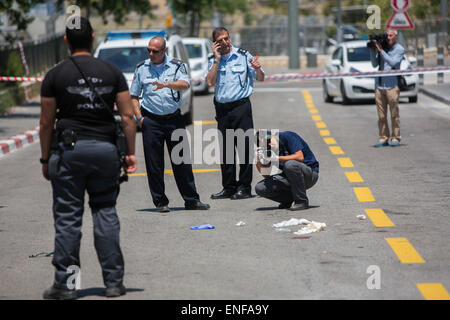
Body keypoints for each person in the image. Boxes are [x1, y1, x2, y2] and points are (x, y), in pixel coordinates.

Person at [39, 17, 137, 299]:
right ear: (93, 37)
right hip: (106, 152)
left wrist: (45, 159)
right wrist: (130, 152)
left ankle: (67, 285)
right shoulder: (112, 71)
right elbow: (128, 116)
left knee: (69, 219)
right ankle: (114, 283)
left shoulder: (55, 75)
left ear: (66, 40)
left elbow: (46, 123)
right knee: (105, 212)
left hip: (68, 152)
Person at [130, 36, 210, 212]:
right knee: (154, 164)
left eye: (155, 51)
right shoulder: (141, 69)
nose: (151, 54)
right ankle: (160, 202)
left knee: (182, 162)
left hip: (174, 119)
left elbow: (185, 84)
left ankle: (191, 200)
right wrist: (140, 119)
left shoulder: (177, 65)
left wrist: (167, 84)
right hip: (151, 120)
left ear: (164, 51)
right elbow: (134, 96)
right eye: (149, 50)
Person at [206, 27, 265, 200]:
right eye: (220, 40)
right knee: (226, 151)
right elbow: (209, 82)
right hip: (222, 109)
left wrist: (258, 69)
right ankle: (229, 187)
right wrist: (217, 60)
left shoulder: (244, 55)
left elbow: (260, 78)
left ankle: (244, 188)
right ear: (215, 44)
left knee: (244, 148)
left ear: (230, 38)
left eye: (226, 38)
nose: (224, 42)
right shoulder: (214, 60)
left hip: (241, 107)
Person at [254, 131, 319, 211]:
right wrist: (258, 161)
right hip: (290, 177)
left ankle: (301, 201)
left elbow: (300, 157)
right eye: (267, 145)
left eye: (269, 140)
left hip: (309, 174)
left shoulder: (288, 136)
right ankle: (289, 199)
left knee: (290, 165)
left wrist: (277, 158)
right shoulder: (269, 152)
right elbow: (266, 175)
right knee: (260, 187)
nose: (270, 145)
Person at [369, 29, 405, 147]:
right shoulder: (382, 47)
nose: (388, 37)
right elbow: (374, 64)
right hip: (380, 86)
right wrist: (373, 51)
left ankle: (396, 137)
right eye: (387, 35)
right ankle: (383, 137)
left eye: (390, 35)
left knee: (394, 114)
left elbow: (393, 62)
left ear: (396, 37)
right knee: (381, 115)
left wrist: (382, 51)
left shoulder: (399, 49)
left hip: (392, 86)